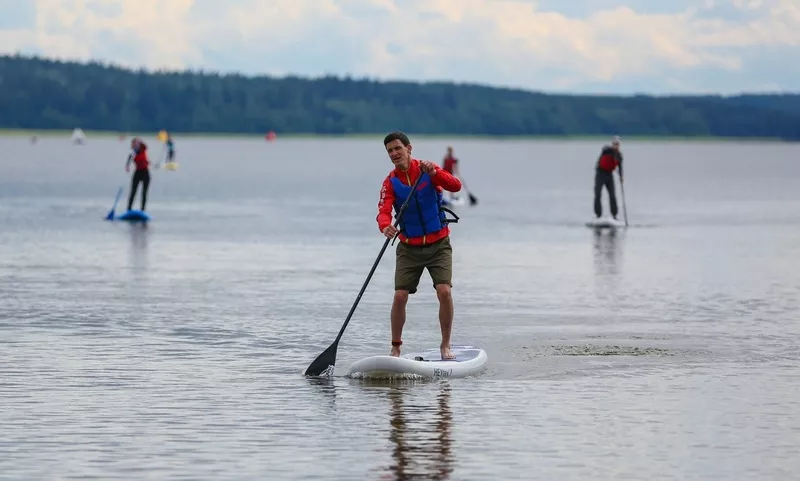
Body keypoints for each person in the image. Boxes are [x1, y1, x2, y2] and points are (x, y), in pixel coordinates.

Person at [377, 131, 463, 360]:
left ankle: (445, 346)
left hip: (438, 244)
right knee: (399, 296)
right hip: (409, 247)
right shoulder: (390, 182)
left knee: (444, 291)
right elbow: (383, 211)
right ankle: (395, 347)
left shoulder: (427, 170)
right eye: (390, 151)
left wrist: (435, 172)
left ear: (409, 148)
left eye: (398, 148)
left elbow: (455, 186)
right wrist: (385, 226)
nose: (394, 153)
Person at [594, 136, 624, 219]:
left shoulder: (619, 156)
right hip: (600, 173)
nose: (616, 146)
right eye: (614, 144)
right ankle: (598, 215)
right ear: (612, 144)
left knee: (612, 195)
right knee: (598, 194)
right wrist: (612, 149)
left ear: (619, 145)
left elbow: (620, 167)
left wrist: (621, 177)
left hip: (609, 175)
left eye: (617, 144)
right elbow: (604, 148)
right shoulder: (606, 151)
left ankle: (614, 215)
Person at [125, 137, 150, 211]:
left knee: (144, 192)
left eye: (137, 143)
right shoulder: (133, 152)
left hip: (145, 172)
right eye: (134, 143)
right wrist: (127, 166)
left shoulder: (143, 149)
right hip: (137, 173)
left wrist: (139, 141)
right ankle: (129, 209)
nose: (136, 145)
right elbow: (129, 158)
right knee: (133, 191)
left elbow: (145, 146)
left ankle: (143, 210)